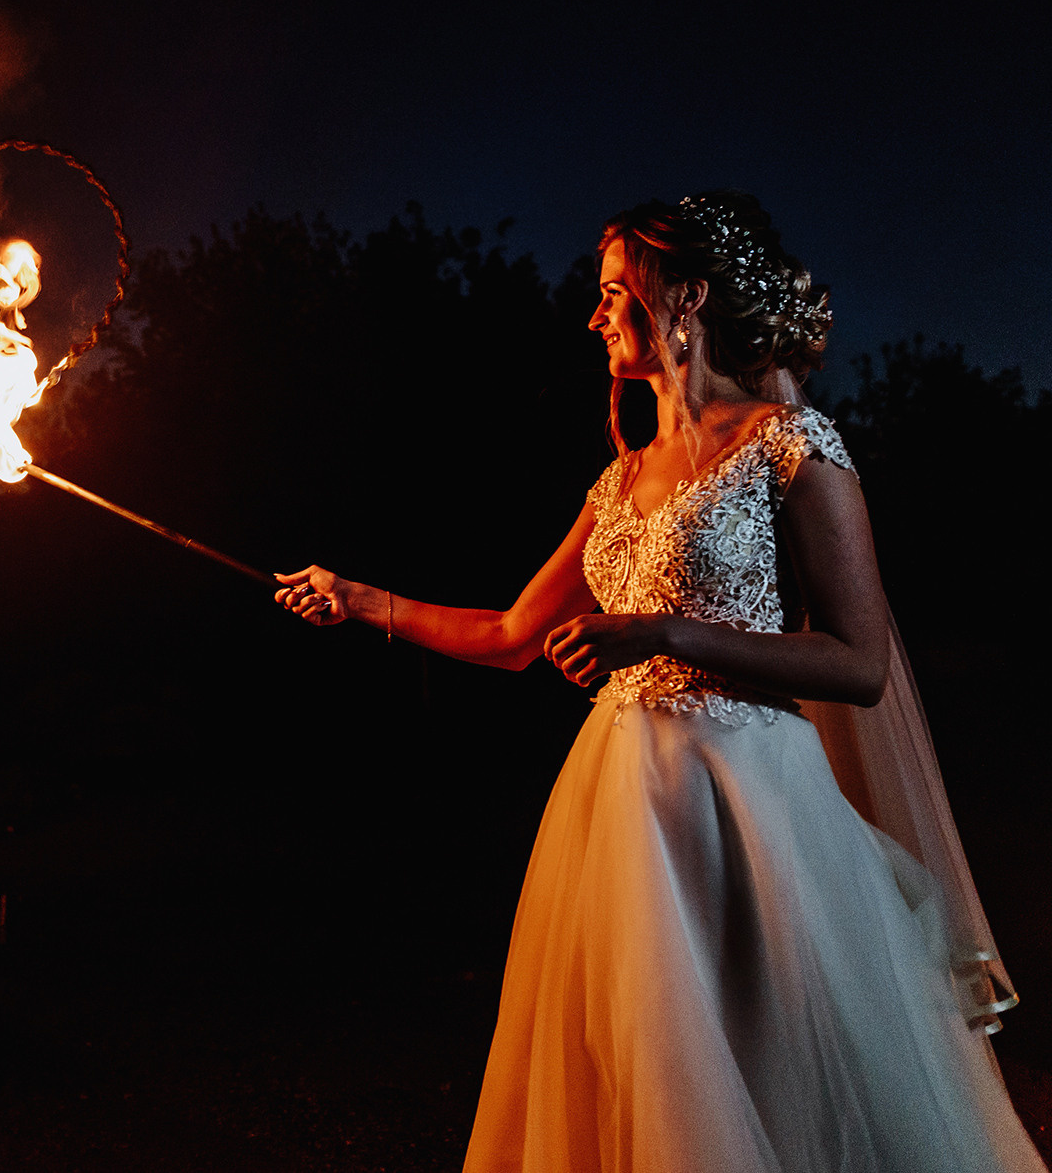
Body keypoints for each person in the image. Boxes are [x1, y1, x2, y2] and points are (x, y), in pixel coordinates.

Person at [276, 192, 1045, 1171]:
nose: (593, 315)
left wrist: (662, 631)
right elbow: (514, 633)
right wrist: (358, 598)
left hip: (754, 816)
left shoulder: (790, 448)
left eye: (612, 294)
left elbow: (856, 663)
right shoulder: (618, 479)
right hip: (622, 819)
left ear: (680, 298)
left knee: (765, 1070)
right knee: (646, 1072)